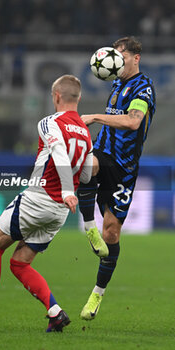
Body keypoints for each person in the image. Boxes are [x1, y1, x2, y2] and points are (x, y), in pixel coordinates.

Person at [0, 75, 103, 333]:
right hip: (58, 213)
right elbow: (88, 174)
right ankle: (55, 313)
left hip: (40, 199)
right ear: (79, 98)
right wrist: (70, 190)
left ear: (56, 96)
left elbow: (57, 154)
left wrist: (67, 190)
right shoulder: (86, 133)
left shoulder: (50, 122)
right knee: (20, 262)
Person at [77, 37, 156, 320]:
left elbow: (134, 121)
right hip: (104, 153)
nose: (117, 61)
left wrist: (96, 116)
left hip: (125, 168)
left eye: (121, 56)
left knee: (111, 232)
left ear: (136, 58)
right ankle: (88, 227)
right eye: (115, 56)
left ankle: (97, 294)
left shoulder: (142, 87)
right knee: (87, 164)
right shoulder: (116, 83)